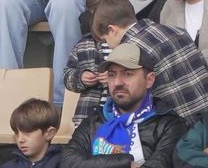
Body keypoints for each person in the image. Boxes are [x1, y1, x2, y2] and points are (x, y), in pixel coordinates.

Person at [59, 41, 190, 168]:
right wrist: (124, 163)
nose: (117, 82)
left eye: (128, 74)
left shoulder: (169, 125)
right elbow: (67, 162)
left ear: (149, 80)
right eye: (111, 75)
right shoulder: (94, 121)